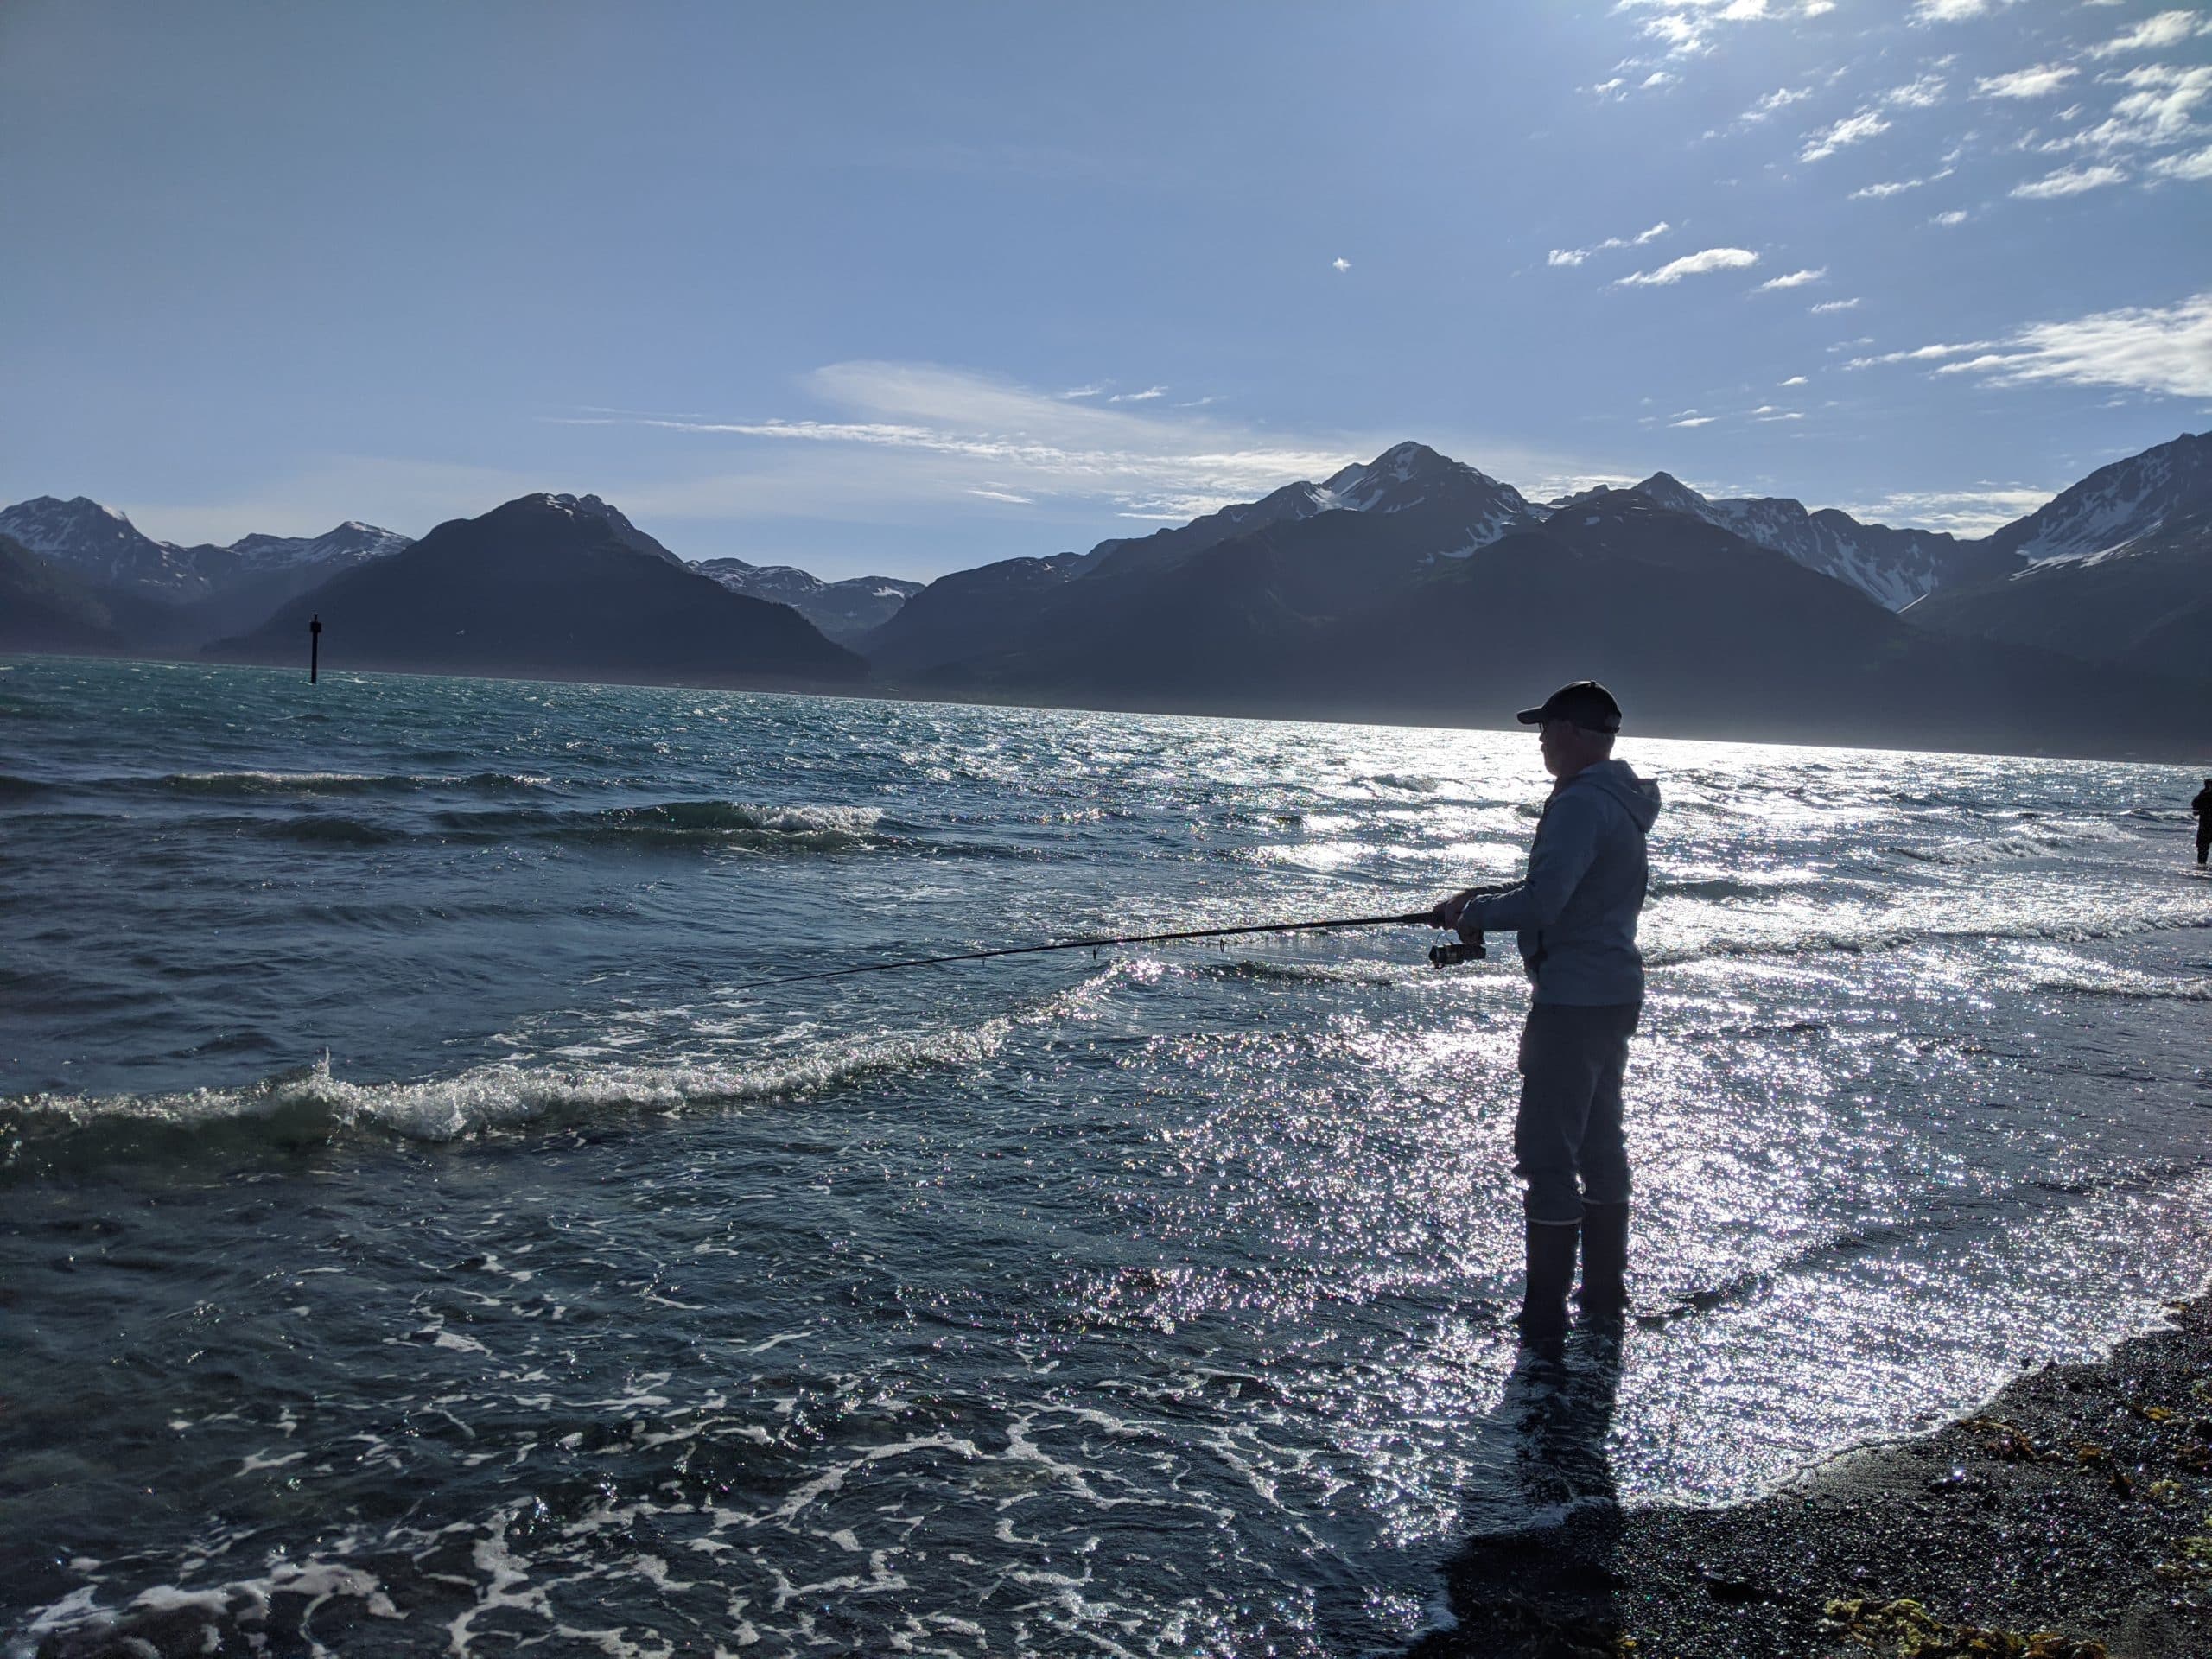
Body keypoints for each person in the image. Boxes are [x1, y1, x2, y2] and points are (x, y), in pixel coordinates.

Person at [1433, 680, 1661, 1346]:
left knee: (1545, 1154)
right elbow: (1558, 891)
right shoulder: (1617, 802)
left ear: (1573, 733)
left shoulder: (1581, 805)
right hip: (1613, 991)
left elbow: (1545, 903)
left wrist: (1474, 914)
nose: (1538, 738)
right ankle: (1602, 1297)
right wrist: (1484, 898)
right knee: (1598, 1143)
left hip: (1572, 1002)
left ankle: (1543, 1317)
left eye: (1546, 727)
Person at [2195, 778, 2212, 868]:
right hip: (2205, 824)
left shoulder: (2204, 794)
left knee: (2203, 846)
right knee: (2202, 847)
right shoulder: (2203, 794)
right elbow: (2195, 804)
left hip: (2206, 824)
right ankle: (2201, 865)